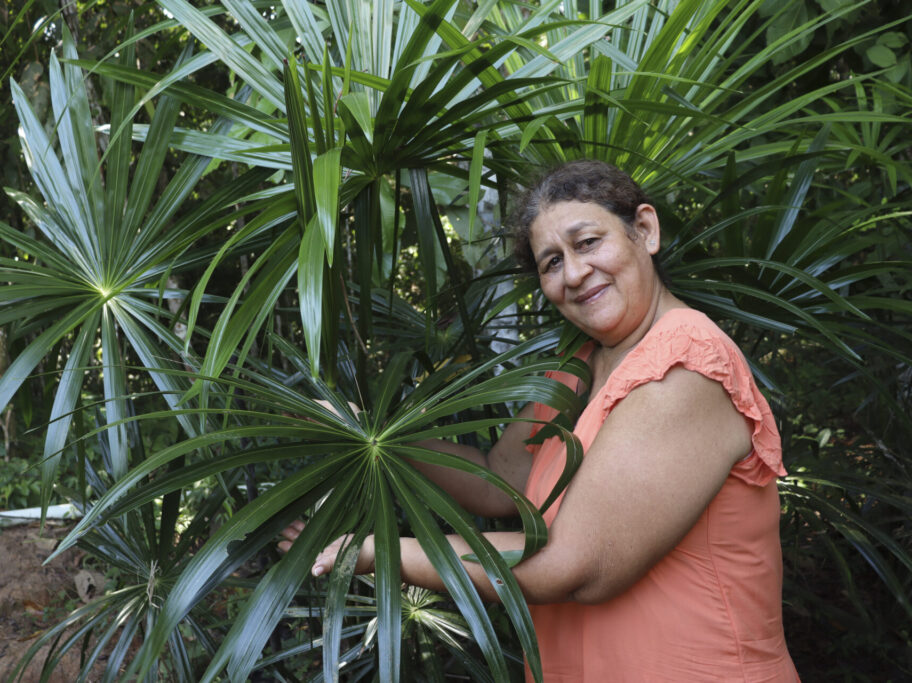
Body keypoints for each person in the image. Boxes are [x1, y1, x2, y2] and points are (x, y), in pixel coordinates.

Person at [280, 160, 799, 681]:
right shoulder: (579, 367)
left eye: (588, 242)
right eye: (552, 262)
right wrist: (370, 432)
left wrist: (375, 552)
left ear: (645, 229)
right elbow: (500, 479)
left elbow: (573, 566)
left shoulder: (686, 362)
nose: (573, 274)